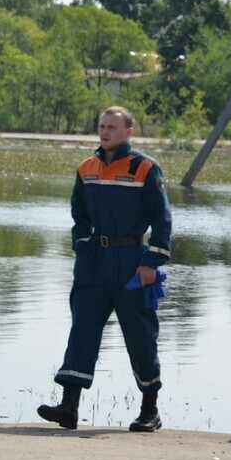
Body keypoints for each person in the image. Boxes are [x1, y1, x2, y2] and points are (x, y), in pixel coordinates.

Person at [38, 106, 172, 432]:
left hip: (132, 263)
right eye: (101, 126)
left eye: (112, 126)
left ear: (129, 131)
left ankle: (149, 411)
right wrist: (84, 251)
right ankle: (69, 408)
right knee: (82, 330)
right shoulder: (87, 167)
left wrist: (151, 263)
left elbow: (162, 220)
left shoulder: (145, 168)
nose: (105, 132)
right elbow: (79, 215)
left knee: (141, 337)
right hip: (95, 262)